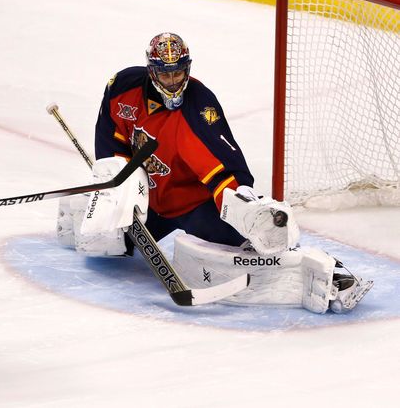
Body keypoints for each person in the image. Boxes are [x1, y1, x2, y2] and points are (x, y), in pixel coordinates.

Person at [57, 32, 372, 314]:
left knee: (257, 239)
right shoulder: (122, 87)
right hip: (149, 202)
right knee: (111, 243)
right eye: (165, 74)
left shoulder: (198, 109)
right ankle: (79, 217)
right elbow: (112, 137)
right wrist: (118, 184)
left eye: (178, 72)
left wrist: (243, 203)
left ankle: (330, 269)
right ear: (151, 70)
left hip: (193, 206)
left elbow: (224, 172)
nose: (172, 81)